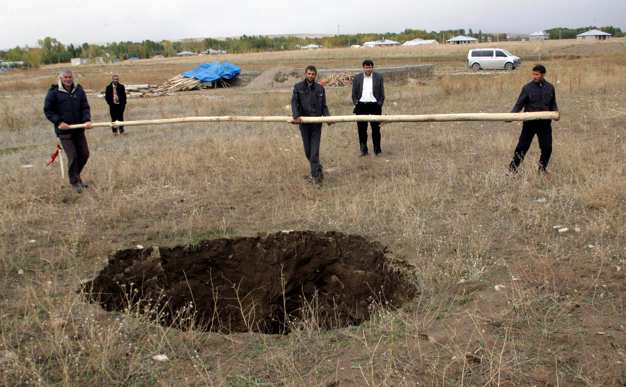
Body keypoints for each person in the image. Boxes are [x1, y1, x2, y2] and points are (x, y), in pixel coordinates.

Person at [44, 68, 93, 193]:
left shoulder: (79, 90)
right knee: (72, 157)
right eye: (65, 77)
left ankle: (76, 176)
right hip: (64, 131)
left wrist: (87, 120)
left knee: (84, 154)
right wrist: (60, 122)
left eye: (70, 77)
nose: (68, 79)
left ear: (73, 77)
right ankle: (75, 182)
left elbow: (85, 107)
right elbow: (48, 110)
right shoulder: (54, 92)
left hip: (78, 129)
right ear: (60, 78)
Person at [508, 64, 560, 173]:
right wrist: (511, 116)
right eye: (533, 74)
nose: (534, 76)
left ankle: (542, 170)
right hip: (530, 123)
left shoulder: (550, 87)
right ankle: (512, 170)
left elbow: (553, 103)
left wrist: (556, 113)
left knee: (547, 148)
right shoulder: (527, 88)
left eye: (537, 74)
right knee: (522, 148)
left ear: (543, 74)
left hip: (545, 123)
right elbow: (519, 104)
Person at [291, 66, 334, 186]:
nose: (310, 76)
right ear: (305, 74)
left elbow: (323, 106)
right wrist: (296, 116)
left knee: (314, 152)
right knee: (308, 152)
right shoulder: (298, 87)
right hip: (304, 123)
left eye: (313, 74)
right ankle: (319, 169)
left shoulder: (320, 88)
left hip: (316, 124)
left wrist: (328, 118)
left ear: (315, 75)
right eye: (309, 73)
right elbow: (294, 102)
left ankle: (315, 177)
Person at [352, 60, 385, 156]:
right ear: (363, 68)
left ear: (372, 68)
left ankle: (377, 150)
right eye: (366, 67)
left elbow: (382, 93)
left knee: (376, 129)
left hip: (374, 105)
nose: (368, 69)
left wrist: (379, 104)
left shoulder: (378, 77)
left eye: (369, 67)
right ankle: (363, 150)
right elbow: (354, 93)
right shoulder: (357, 78)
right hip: (361, 105)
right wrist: (356, 103)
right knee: (362, 130)